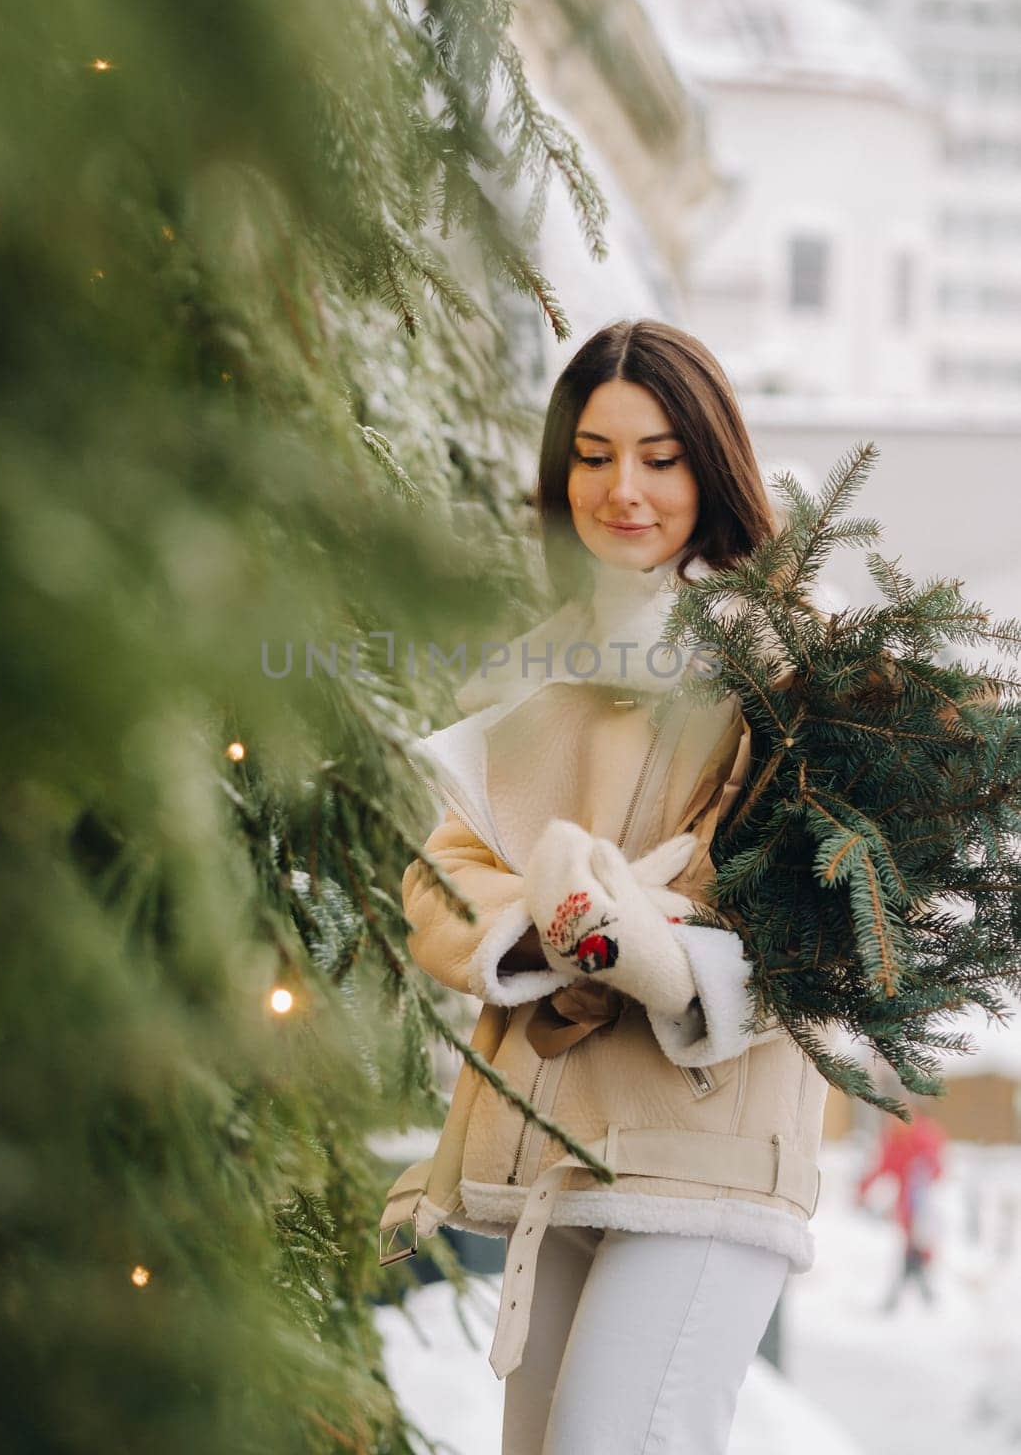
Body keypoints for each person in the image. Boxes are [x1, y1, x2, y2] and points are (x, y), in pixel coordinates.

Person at [379, 319, 829, 1454]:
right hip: (557, 1147)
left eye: (658, 455)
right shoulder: (529, 665)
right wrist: (543, 929)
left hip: (705, 1154)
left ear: (710, 466)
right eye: (591, 454)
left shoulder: (789, 667)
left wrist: (661, 954)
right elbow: (440, 876)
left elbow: (830, 920)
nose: (620, 487)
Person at [855, 1107, 947, 1311]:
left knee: (914, 1247)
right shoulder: (894, 1141)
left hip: (920, 1204)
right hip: (907, 1206)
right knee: (912, 1248)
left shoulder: (922, 1136)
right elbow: (882, 1167)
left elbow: (937, 1167)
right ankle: (920, 1295)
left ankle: (903, 1297)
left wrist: (921, 1173)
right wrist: (863, 1189)